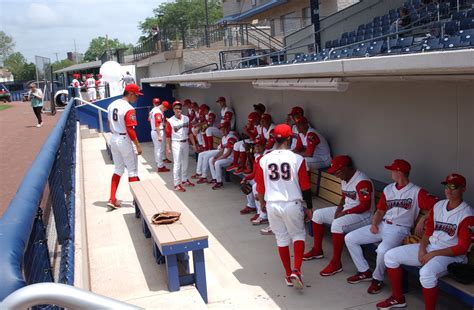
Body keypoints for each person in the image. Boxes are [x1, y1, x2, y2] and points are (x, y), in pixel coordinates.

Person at [376, 173, 473, 310]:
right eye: (446, 186)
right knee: (390, 256)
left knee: (426, 274)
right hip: (431, 247)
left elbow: (462, 248)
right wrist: (422, 248)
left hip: (452, 256)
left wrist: (433, 254)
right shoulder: (439, 206)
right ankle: (398, 298)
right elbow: (428, 232)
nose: (449, 190)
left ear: (463, 189)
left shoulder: (467, 215)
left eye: (454, 187)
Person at [344, 159, 438, 294]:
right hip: (383, 225)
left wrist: (424, 217)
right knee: (350, 238)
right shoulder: (388, 189)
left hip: (400, 229)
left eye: (393, 170)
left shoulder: (417, 191)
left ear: (399, 172)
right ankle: (364, 271)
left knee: (383, 250)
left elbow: (437, 205)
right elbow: (380, 211)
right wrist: (375, 223)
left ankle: (377, 279)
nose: (391, 172)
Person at [255, 124, 313, 289]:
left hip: (272, 204)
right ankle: (297, 270)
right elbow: (305, 186)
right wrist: (309, 207)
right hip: (292, 203)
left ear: (274, 138)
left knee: (281, 239)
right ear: (289, 138)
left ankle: (288, 274)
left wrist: (262, 204)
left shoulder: (264, 159)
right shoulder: (297, 158)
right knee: (298, 236)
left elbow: (260, 188)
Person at [303, 155, 374, 277]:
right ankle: (317, 250)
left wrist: (344, 213)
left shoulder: (362, 181)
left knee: (337, 224)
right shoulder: (345, 178)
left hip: (364, 216)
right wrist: (339, 208)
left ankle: (336, 263)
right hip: (348, 211)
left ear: (345, 168)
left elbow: (365, 206)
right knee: (318, 215)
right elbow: (344, 196)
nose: (336, 175)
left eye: (337, 171)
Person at [106, 83, 143, 209]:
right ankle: (137, 202)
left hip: (114, 138)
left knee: (118, 169)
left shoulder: (112, 104)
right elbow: (130, 129)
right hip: (124, 139)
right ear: (131, 94)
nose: (137, 98)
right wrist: (137, 145)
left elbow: (108, 123)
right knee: (132, 171)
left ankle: (112, 198)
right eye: (136, 95)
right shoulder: (128, 108)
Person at [165, 101, 198, 192]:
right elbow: (168, 135)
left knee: (185, 162)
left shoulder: (186, 118)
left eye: (179, 108)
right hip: (176, 143)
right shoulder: (170, 121)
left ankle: (184, 180)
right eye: (176, 108)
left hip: (185, 142)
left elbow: (190, 133)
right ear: (173, 109)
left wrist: (194, 144)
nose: (178, 110)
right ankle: (176, 184)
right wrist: (168, 147)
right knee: (177, 164)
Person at [241, 139, 268, 226]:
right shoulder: (257, 156)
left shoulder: (266, 156)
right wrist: (246, 178)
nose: (256, 147)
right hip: (260, 179)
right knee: (248, 183)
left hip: (268, 181)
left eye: (259, 145)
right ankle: (252, 206)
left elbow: (264, 175)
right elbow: (254, 173)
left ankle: (262, 214)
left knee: (255, 187)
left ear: (264, 146)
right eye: (256, 145)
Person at [208, 123, 238, 190]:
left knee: (217, 163)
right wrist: (215, 157)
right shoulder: (224, 138)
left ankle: (219, 183)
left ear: (228, 129)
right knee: (211, 159)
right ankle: (215, 178)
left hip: (232, 158)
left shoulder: (231, 138)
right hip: (226, 157)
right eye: (221, 129)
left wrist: (217, 159)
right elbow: (222, 150)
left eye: (224, 129)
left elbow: (228, 153)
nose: (222, 131)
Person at [149, 98, 170, 173]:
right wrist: (159, 135)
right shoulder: (158, 112)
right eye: (165, 109)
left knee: (157, 149)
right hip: (157, 131)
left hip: (154, 130)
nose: (165, 110)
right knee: (159, 149)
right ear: (163, 106)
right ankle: (160, 166)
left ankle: (158, 163)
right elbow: (157, 124)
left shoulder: (153, 110)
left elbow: (149, 120)